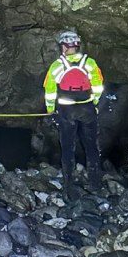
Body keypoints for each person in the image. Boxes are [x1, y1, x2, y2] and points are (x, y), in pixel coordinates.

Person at [43, 30, 105, 196]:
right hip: (87, 109)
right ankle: (95, 183)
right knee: (91, 146)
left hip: (66, 111)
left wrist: (50, 110)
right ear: (77, 46)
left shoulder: (57, 66)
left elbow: (49, 91)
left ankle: (69, 185)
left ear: (63, 47)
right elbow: (98, 86)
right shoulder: (90, 63)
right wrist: (95, 103)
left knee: (68, 147)